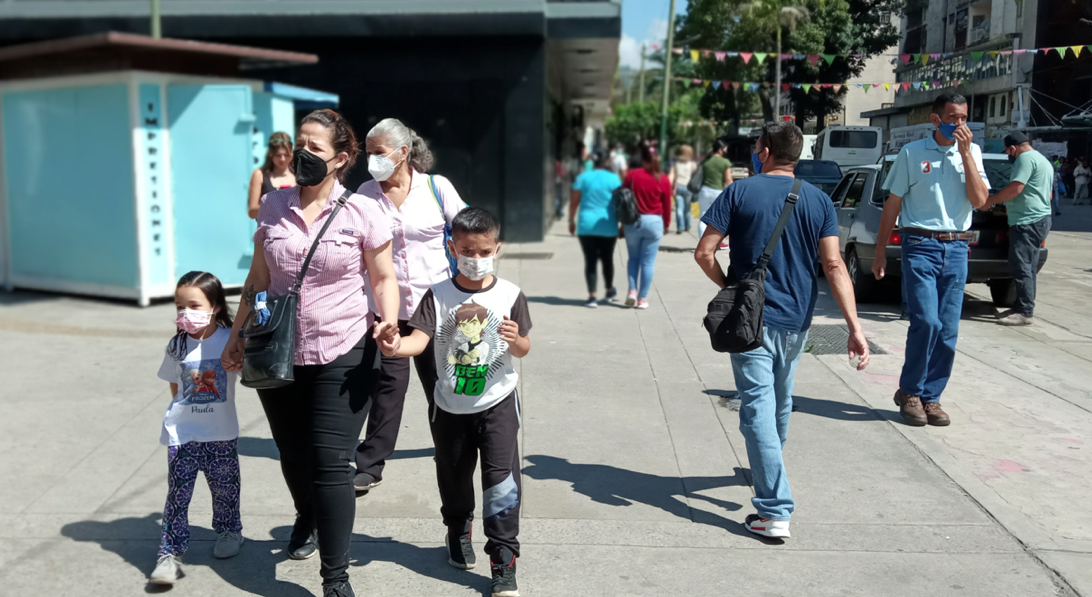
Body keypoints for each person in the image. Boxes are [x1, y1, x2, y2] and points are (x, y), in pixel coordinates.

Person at [221, 109, 401, 597]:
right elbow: (258, 279)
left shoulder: (365, 211)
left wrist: (388, 318)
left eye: (314, 148)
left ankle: (335, 577)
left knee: (329, 462)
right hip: (278, 349)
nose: (303, 154)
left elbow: (384, 278)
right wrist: (235, 336)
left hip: (344, 349)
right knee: (293, 454)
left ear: (340, 159)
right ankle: (306, 514)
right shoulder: (274, 206)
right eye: (300, 143)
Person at [694, 121, 870, 539]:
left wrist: (733, 290)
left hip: (750, 321)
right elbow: (833, 265)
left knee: (756, 407)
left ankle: (774, 509)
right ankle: (766, 468)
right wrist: (854, 327)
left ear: (767, 149)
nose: (755, 151)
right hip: (797, 320)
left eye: (757, 146)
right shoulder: (819, 200)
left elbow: (703, 252)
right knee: (780, 400)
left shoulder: (740, 190)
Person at [381, 207, 531, 597]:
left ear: (497, 248)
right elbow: (420, 340)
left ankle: (503, 559)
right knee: (453, 477)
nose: (476, 258)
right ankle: (457, 529)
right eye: (467, 250)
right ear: (452, 247)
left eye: (484, 251)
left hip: (498, 403)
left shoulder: (511, 294)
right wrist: (398, 346)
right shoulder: (438, 295)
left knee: (501, 481)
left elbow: (525, 347)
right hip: (449, 407)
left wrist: (516, 341)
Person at [352, 118, 467, 493]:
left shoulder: (437, 189)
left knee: (442, 385)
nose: (371, 161)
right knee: (388, 387)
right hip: (387, 312)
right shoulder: (364, 195)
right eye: (368, 153)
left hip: (437, 309)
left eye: (378, 153)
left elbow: (469, 231)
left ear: (403, 153)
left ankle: (452, 450)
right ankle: (370, 464)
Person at [873, 93, 990, 428]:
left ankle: (931, 396)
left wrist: (966, 153)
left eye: (964, 118)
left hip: (956, 247)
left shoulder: (973, 153)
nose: (959, 124)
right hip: (920, 243)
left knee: (948, 329)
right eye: (953, 117)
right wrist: (880, 251)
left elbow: (980, 201)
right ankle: (910, 392)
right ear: (936, 119)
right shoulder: (911, 153)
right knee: (926, 321)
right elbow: (893, 205)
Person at [150, 271, 243, 585]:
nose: (184, 313)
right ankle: (169, 554)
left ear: (215, 306)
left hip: (221, 433)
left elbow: (249, 373)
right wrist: (186, 416)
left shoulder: (230, 339)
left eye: (193, 305)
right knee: (177, 496)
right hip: (182, 435)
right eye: (179, 306)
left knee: (225, 490)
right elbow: (175, 387)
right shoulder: (176, 345)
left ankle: (230, 531)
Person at [984, 131, 1052, 326]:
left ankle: (1025, 311)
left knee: (1022, 266)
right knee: (1028, 266)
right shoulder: (1042, 160)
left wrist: (990, 201)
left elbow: (1016, 188)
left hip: (1027, 221)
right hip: (1038, 218)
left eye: (1008, 151)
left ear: (1012, 148)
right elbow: (1046, 194)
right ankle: (1020, 305)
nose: (1009, 155)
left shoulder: (1024, 159)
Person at [621, 143, 672, 309]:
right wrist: (666, 224)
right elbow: (666, 204)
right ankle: (642, 299)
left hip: (633, 221)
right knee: (648, 263)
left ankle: (632, 292)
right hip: (654, 222)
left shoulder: (632, 175)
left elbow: (623, 199)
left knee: (633, 258)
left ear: (643, 159)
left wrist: (622, 223)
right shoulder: (662, 178)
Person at [569, 151, 622, 308]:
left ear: (592, 162)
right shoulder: (613, 179)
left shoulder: (583, 178)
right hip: (608, 224)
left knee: (590, 261)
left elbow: (574, 201)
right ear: (606, 162)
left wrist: (571, 220)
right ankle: (608, 291)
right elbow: (620, 202)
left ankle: (592, 296)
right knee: (607, 260)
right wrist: (623, 224)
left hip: (587, 225)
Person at [247, 132, 297, 219]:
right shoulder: (260, 175)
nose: (282, 159)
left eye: (286, 155)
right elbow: (252, 213)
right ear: (271, 154)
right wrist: (273, 205)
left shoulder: (298, 174)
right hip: (269, 229)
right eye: (278, 155)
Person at [696, 138, 734, 240]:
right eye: (725, 148)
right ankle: (715, 242)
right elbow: (728, 179)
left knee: (703, 216)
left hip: (704, 191)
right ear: (720, 149)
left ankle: (702, 242)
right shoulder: (725, 162)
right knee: (717, 219)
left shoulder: (706, 161)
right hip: (717, 192)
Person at [668, 144, 697, 234]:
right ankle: (687, 225)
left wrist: (669, 186)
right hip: (688, 187)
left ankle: (680, 227)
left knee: (679, 208)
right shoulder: (692, 164)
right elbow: (694, 176)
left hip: (678, 186)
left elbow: (671, 176)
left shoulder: (676, 164)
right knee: (687, 208)